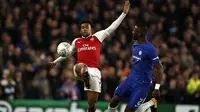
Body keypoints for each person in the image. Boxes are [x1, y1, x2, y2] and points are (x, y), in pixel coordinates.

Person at [49, 1, 130, 112]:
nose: (84, 29)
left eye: (87, 27)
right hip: (81, 69)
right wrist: (56, 61)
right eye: (82, 27)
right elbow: (67, 54)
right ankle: (84, 76)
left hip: (95, 72)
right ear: (80, 29)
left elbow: (112, 27)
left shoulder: (97, 37)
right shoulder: (77, 41)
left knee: (92, 105)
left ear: (91, 29)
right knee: (80, 66)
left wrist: (123, 14)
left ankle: (88, 88)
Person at [107, 25, 164, 112]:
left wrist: (157, 88)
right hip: (131, 79)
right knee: (115, 99)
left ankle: (151, 102)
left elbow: (159, 68)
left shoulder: (150, 48)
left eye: (135, 31)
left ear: (140, 33)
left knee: (129, 110)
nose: (132, 32)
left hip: (142, 85)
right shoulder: (136, 44)